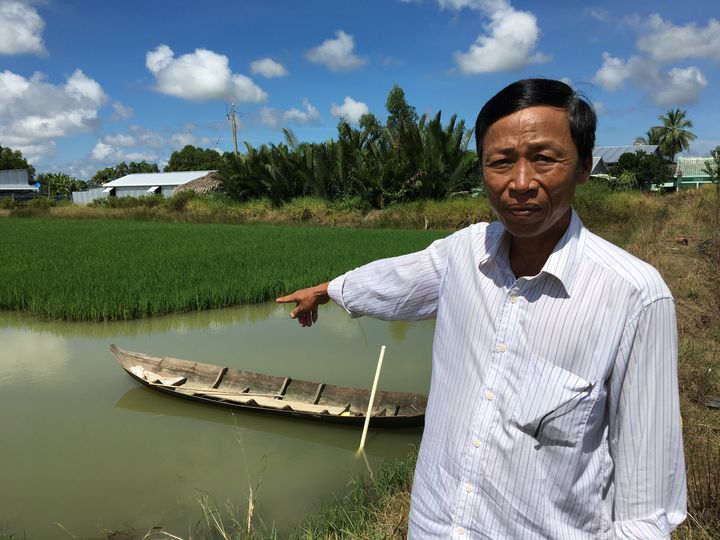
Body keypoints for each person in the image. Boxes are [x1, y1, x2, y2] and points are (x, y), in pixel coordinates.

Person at [276, 79, 686, 539]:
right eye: (501, 162)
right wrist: (328, 290)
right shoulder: (464, 253)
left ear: (583, 167)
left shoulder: (634, 295)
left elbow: (646, 511)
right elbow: (395, 280)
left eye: (545, 159)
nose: (521, 183)